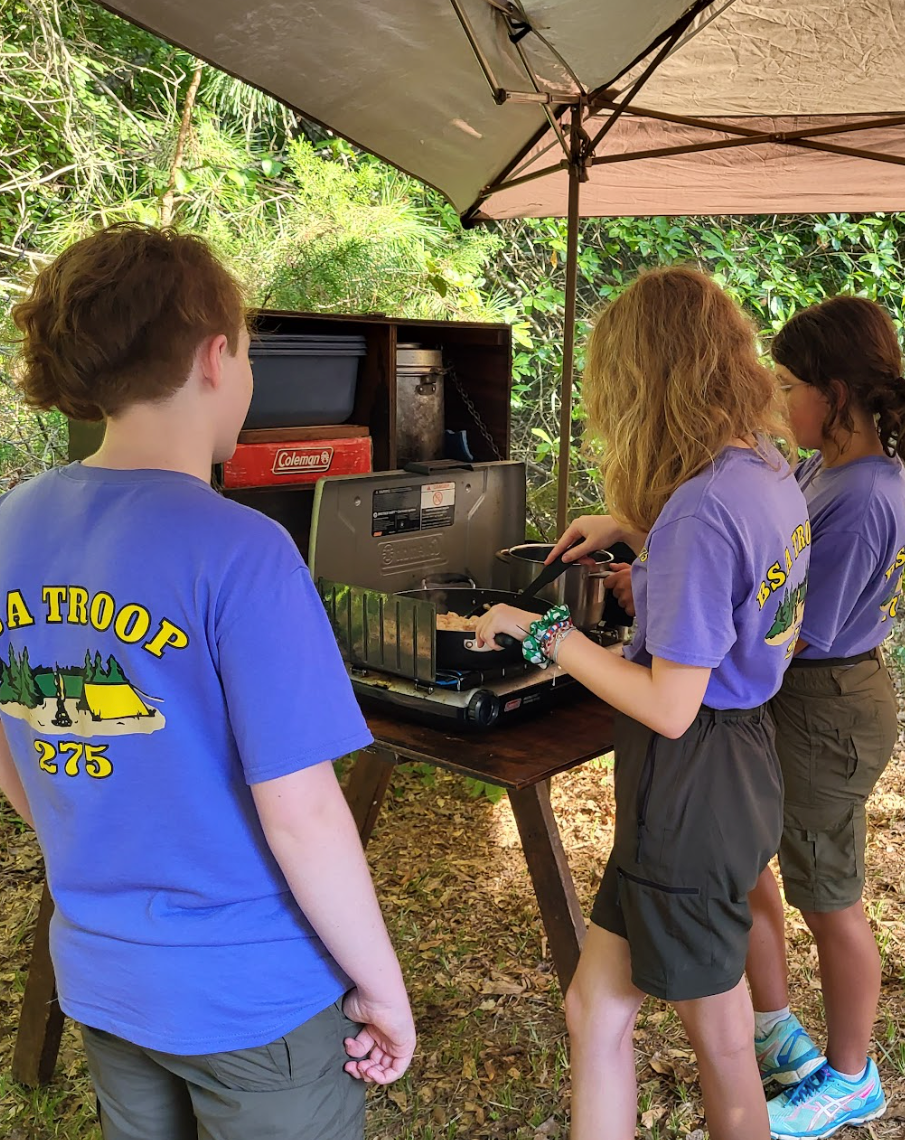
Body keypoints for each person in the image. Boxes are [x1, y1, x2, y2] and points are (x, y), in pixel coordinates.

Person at [0, 223, 415, 1140]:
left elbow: (16, 741)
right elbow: (303, 814)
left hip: (104, 980)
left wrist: (102, 831)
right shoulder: (244, 551)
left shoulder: (12, 523)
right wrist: (384, 987)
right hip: (253, 997)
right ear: (216, 357)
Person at [475, 266, 809, 1140]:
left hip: (689, 779)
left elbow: (668, 704)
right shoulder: (766, 467)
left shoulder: (700, 513)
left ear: (643, 381)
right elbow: (726, 564)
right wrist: (630, 526)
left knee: (722, 1036)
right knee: (597, 1010)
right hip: (736, 768)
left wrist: (541, 633)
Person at [745, 296, 904, 1139]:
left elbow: (795, 630)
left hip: (826, 703)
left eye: (788, 384)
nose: (777, 402)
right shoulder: (823, 469)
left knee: (829, 893)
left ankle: (852, 1076)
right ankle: (775, 1028)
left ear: (833, 393)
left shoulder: (864, 495)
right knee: (748, 856)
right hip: (809, 692)